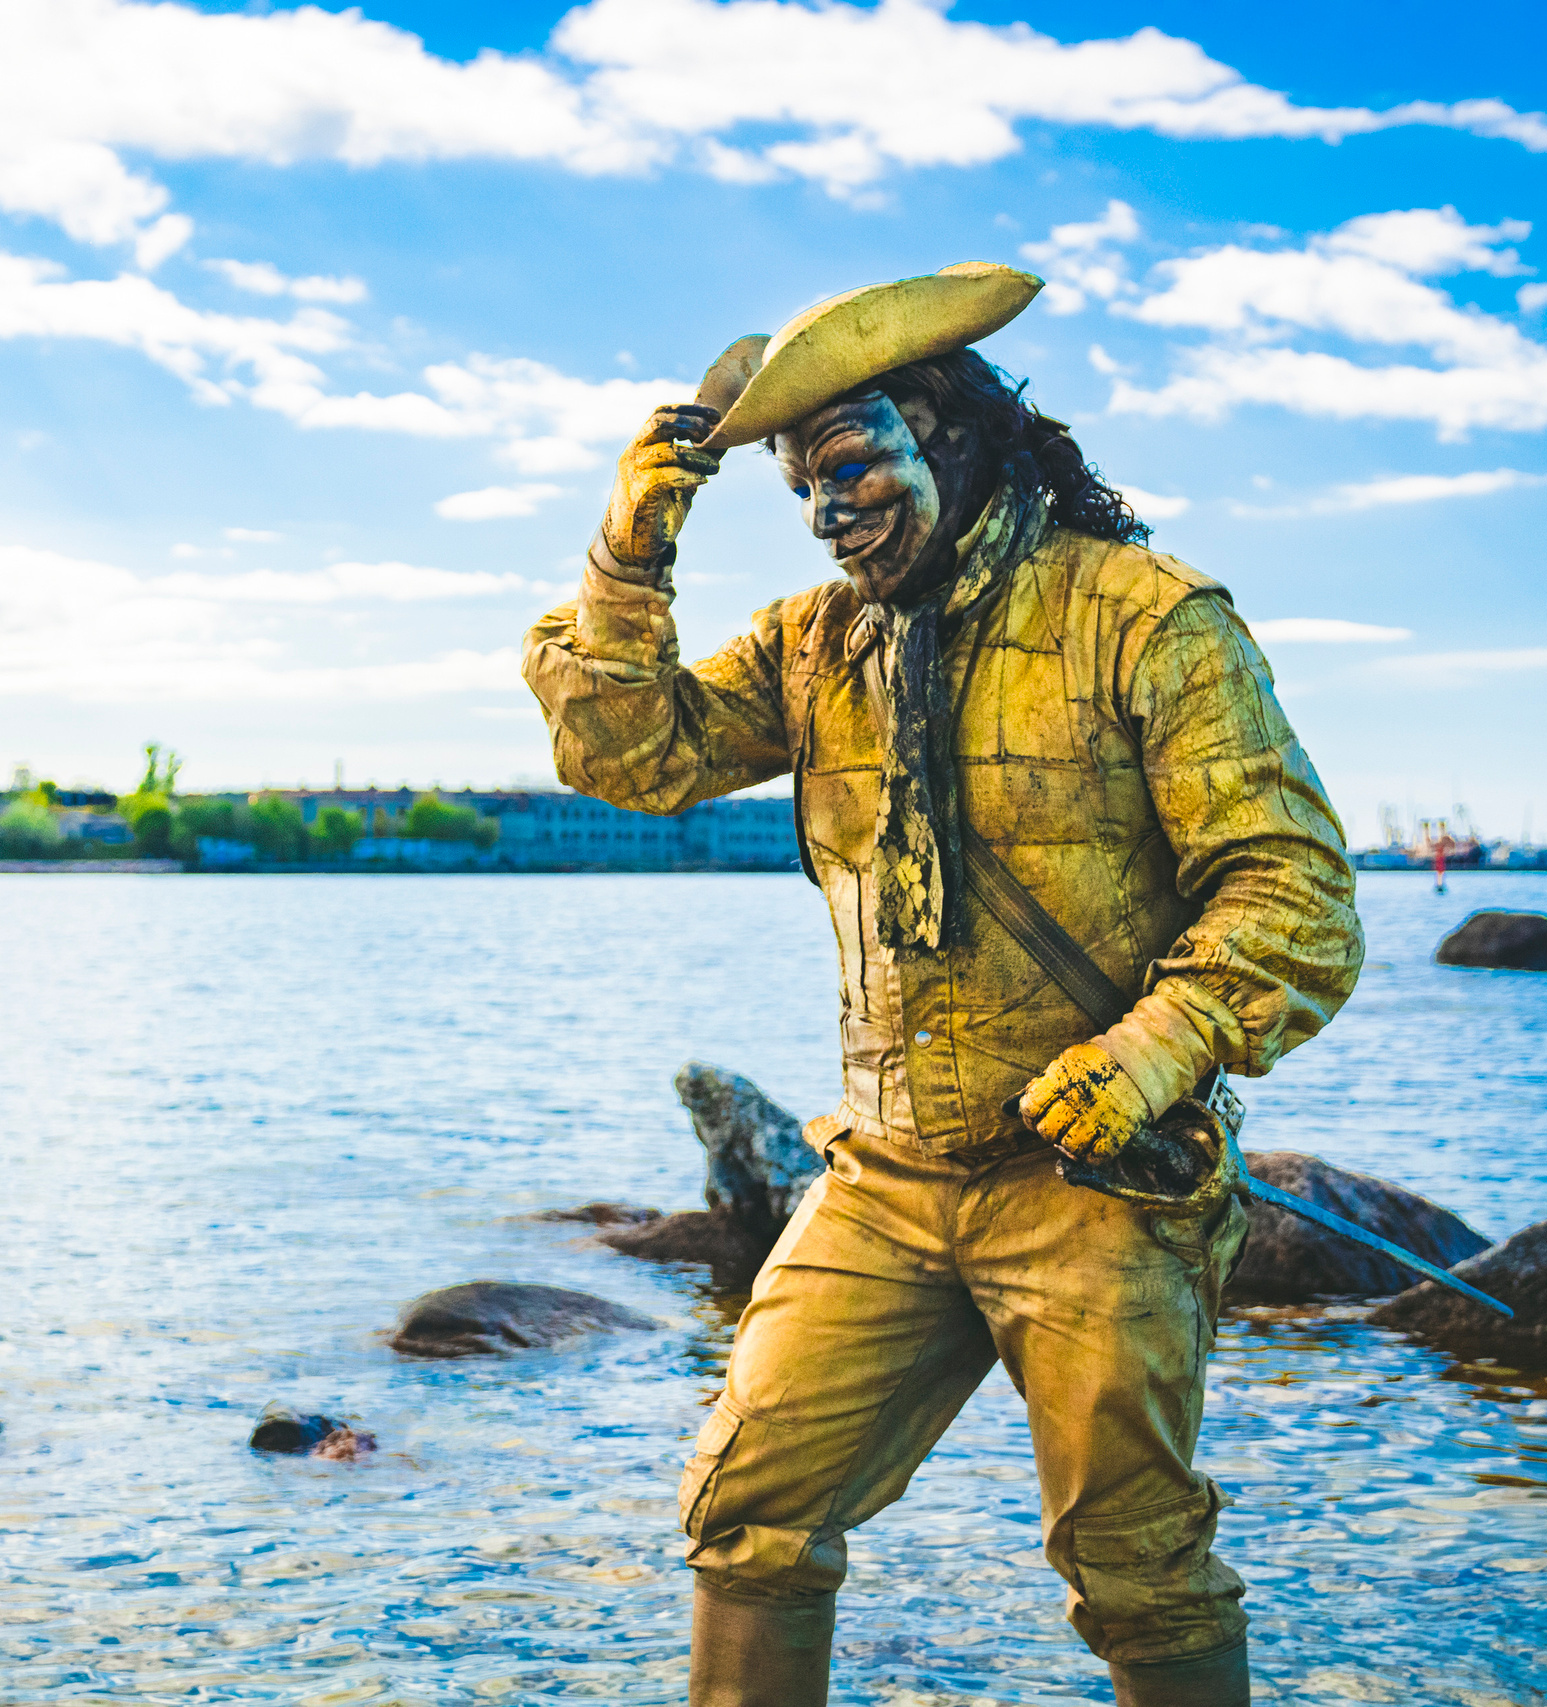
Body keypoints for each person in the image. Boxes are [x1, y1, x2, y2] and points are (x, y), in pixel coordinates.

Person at [520, 263, 1364, 1707]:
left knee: (1136, 1566)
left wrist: (1150, 1056)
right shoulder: (813, 643)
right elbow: (630, 759)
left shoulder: (1146, 617)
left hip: (1100, 1185)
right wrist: (625, 559)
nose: (828, 510)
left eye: (849, 464)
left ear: (953, 437)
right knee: (748, 1510)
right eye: (799, 489)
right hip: (884, 1180)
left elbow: (1295, 892)